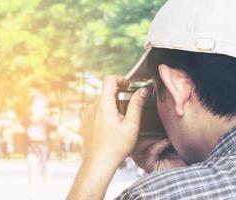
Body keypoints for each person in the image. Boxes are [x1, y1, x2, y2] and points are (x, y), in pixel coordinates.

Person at [68, 0, 236, 199]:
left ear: (178, 87)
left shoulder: (154, 194)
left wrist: (98, 160)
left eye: (154, 91)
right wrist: (182, 172)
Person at [22, 89, 57, 198]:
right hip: (31, 149)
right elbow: (18, 126)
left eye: (41, 106)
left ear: (44, 109)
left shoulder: (46, 120)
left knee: (46, 176)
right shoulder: (27, 120)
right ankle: (32, 194)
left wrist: (54, 136)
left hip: (44, 151)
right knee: (31, 168)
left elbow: (57, 129)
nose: (38, 108)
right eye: (36, 105)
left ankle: (44, 191)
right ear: (31, 107)